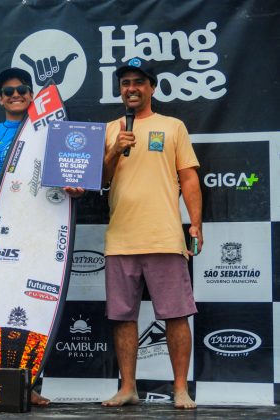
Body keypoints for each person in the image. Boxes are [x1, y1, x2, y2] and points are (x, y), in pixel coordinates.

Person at [67, 60, 202, 409]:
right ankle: (128, 387)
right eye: (125, 82)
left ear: (152, 88)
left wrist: (196, 223)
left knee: (175, 314)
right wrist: (113, 150)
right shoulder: (110, 130)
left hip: (164, 237)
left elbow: (188, 178)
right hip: (121, 239)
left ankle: (180, 389)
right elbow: (97, 181)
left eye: (138, 82)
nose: (131, 88)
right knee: (122, 317)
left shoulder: (173, 126)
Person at [0, 68, 49, 406]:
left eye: (22, 89)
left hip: (38, 233)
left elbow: (70, 177)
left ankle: (32, 385)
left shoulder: (49, 132)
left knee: (34, 309)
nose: (15, 95)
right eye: (8, 91)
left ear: (32, 94)